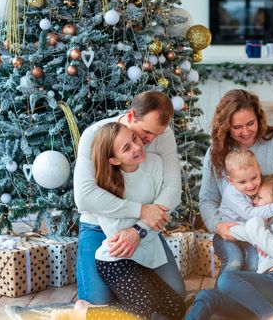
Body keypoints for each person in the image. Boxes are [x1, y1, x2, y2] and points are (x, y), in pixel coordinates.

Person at [55, 123, 185, 320]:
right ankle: (89, 310)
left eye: (134, 138)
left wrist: (140, 229)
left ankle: (125, 298)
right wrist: (142, 212)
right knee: (153, 314)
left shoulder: (155, 164)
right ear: (114, 160)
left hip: (145, 241)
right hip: (116, 254)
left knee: (176, 305)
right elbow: (118, 235)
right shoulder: (107, 182)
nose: (138, 145)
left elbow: (162, 210)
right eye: (127, 147)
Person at [74, 90, 185, 304]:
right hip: (98, 229)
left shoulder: (162, 135)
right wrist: (141, 210)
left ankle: (132, 293)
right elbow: (85, 197)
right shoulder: (94, 135)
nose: (149, 140)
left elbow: (173, 189)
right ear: (131, 116)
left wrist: (139, 229)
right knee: (98, 302)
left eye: (156, 134)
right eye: (146, 132)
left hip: (145, 229)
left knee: (176, 294)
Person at [199, 89, 273, 275]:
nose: (245, 131)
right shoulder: (215, 153)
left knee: (257, 268)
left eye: (251, 123)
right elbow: (207, 199)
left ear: (259, 118)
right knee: (234, 265)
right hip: (232, 230)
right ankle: (222, 301)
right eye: (237, 127)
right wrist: (217, 226)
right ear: (226, 126)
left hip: (272, 233)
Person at [186, 173, 273, 320]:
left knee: (226, 279)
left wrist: (254, 225)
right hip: (261, 296)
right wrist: (220, 227)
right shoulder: (262, 227)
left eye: (260, 197)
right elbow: (239, 231)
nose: (254, 202)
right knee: (207, 295)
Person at [214, 148, 273, 273]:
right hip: (227, 235)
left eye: (254, 177)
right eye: (242, 182)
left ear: (259, 170)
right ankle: (221, 291)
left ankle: (249, 290)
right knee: (234, 261)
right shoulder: (232, 193)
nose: (250, 185)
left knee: (255, 263)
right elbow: (250, 214)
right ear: (230, 181)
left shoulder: (261, 184)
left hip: (249, 236)